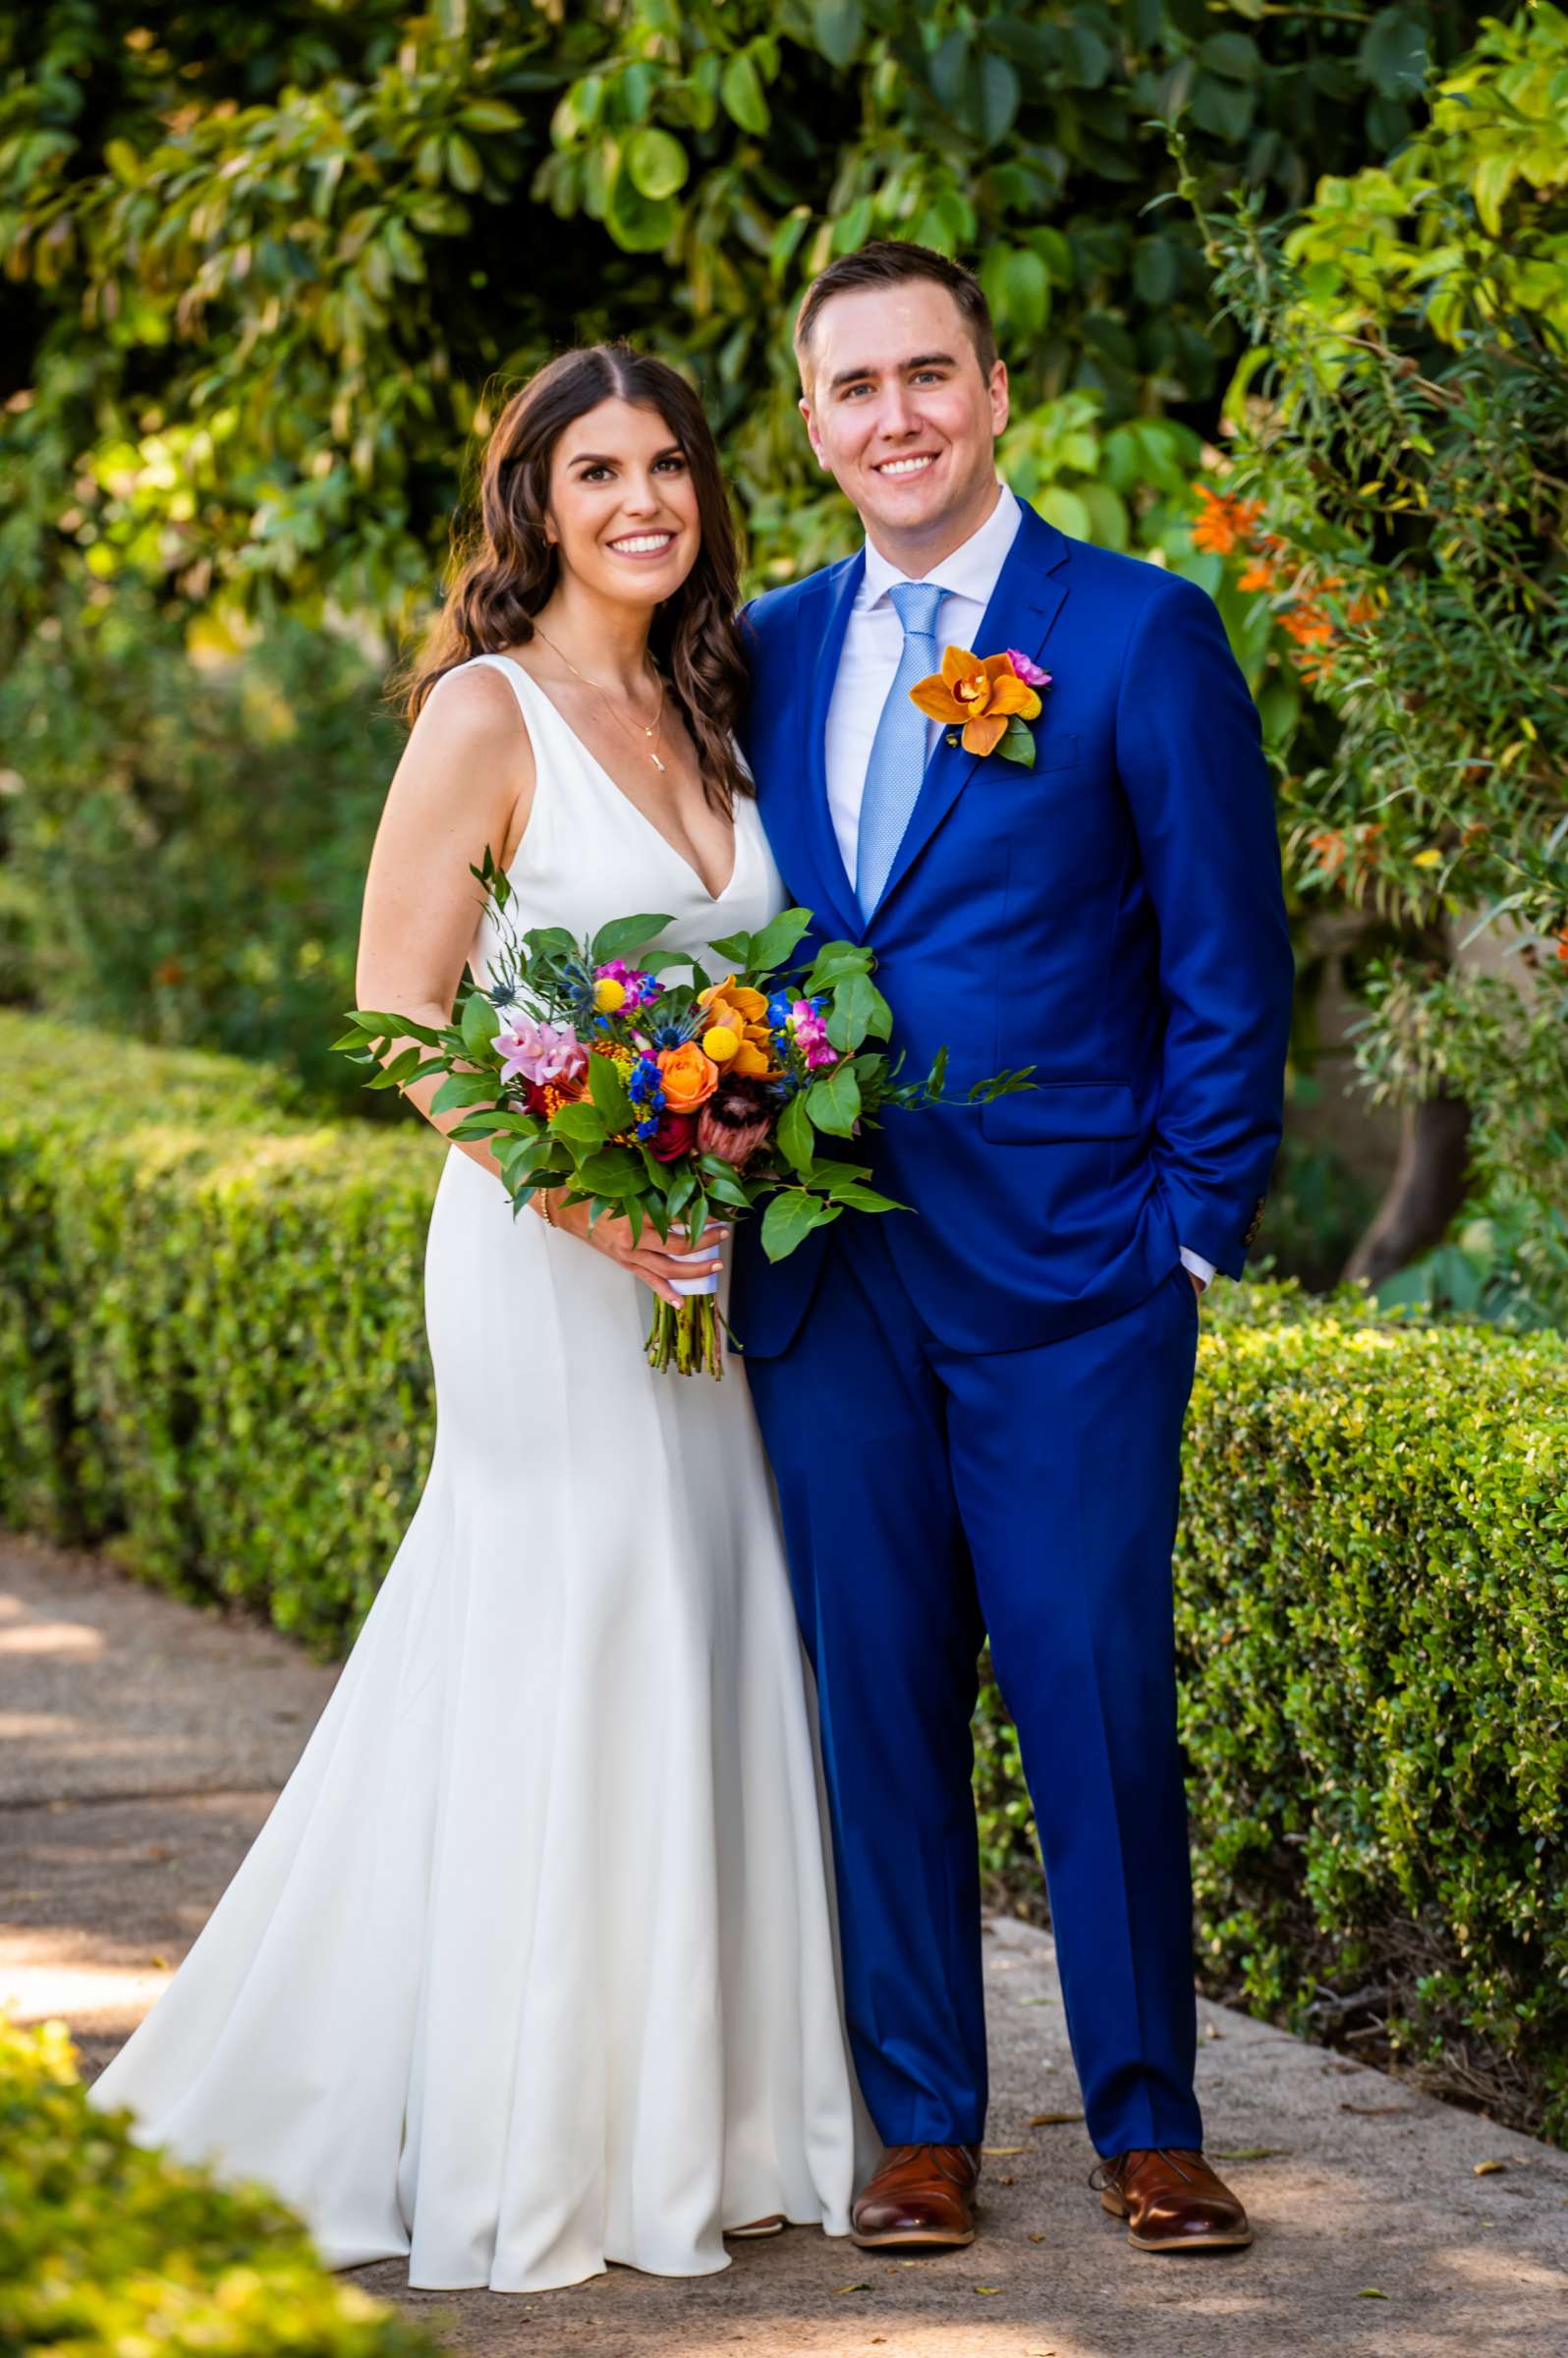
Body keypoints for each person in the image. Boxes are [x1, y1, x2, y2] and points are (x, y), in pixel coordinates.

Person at [86, 344, 873, 2293]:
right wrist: (603, 1202)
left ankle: (708, 2118)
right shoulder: (485, 710)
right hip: (547, 1259)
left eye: (672, 466)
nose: (643, 502)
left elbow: (760, 979)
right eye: (596, 470)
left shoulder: (722, 699)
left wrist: (746, 1122)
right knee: (569, 1613)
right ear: (533, 500)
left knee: (702, 1608)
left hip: (708, 1247)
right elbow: (398, 1014)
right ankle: (540, 2139)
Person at [734, 240, 1294, 2257]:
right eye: (852, 387)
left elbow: (1232, 962)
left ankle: (1152, 2118)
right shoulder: (768, 647)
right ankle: (919, 2128)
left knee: (1089, 1688)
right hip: (829, 1281)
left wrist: (1192, 1238)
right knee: (872, 1696)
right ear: (810, 424)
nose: (894, 416)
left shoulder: (1137, 635)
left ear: (994, 391)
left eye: (927, 376)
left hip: (1077, 1284)